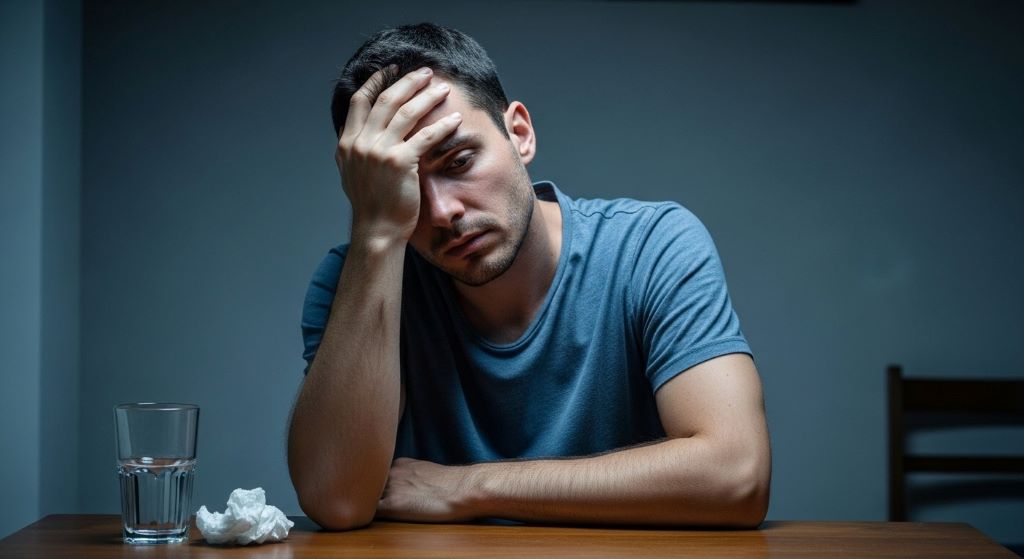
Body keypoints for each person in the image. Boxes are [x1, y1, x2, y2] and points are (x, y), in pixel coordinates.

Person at [287, 22, 771, 531]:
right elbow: (337, 500)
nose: (442, 210)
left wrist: (469, 487)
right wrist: (378, 233)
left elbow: (735, 475)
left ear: (519, 133)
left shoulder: (652, 247)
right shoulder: (357, 274)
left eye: (460, 161)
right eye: (402, 185)